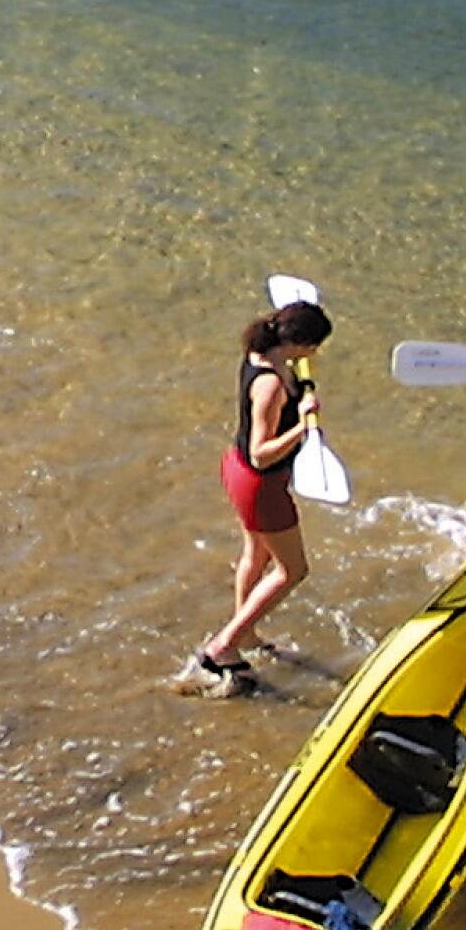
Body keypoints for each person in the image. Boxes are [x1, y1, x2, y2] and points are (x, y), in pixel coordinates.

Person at [178, 297, 333, 698]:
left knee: (257, 555)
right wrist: (304, 426)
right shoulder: (269, 385)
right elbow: (261, 451)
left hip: (238, 473)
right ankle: (222, 648)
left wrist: (302, 389)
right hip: (260, 483)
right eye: (313, 347)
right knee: (293, 571)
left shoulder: (262, 353)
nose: (315, 355)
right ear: (298, 343)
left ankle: (246, 634)